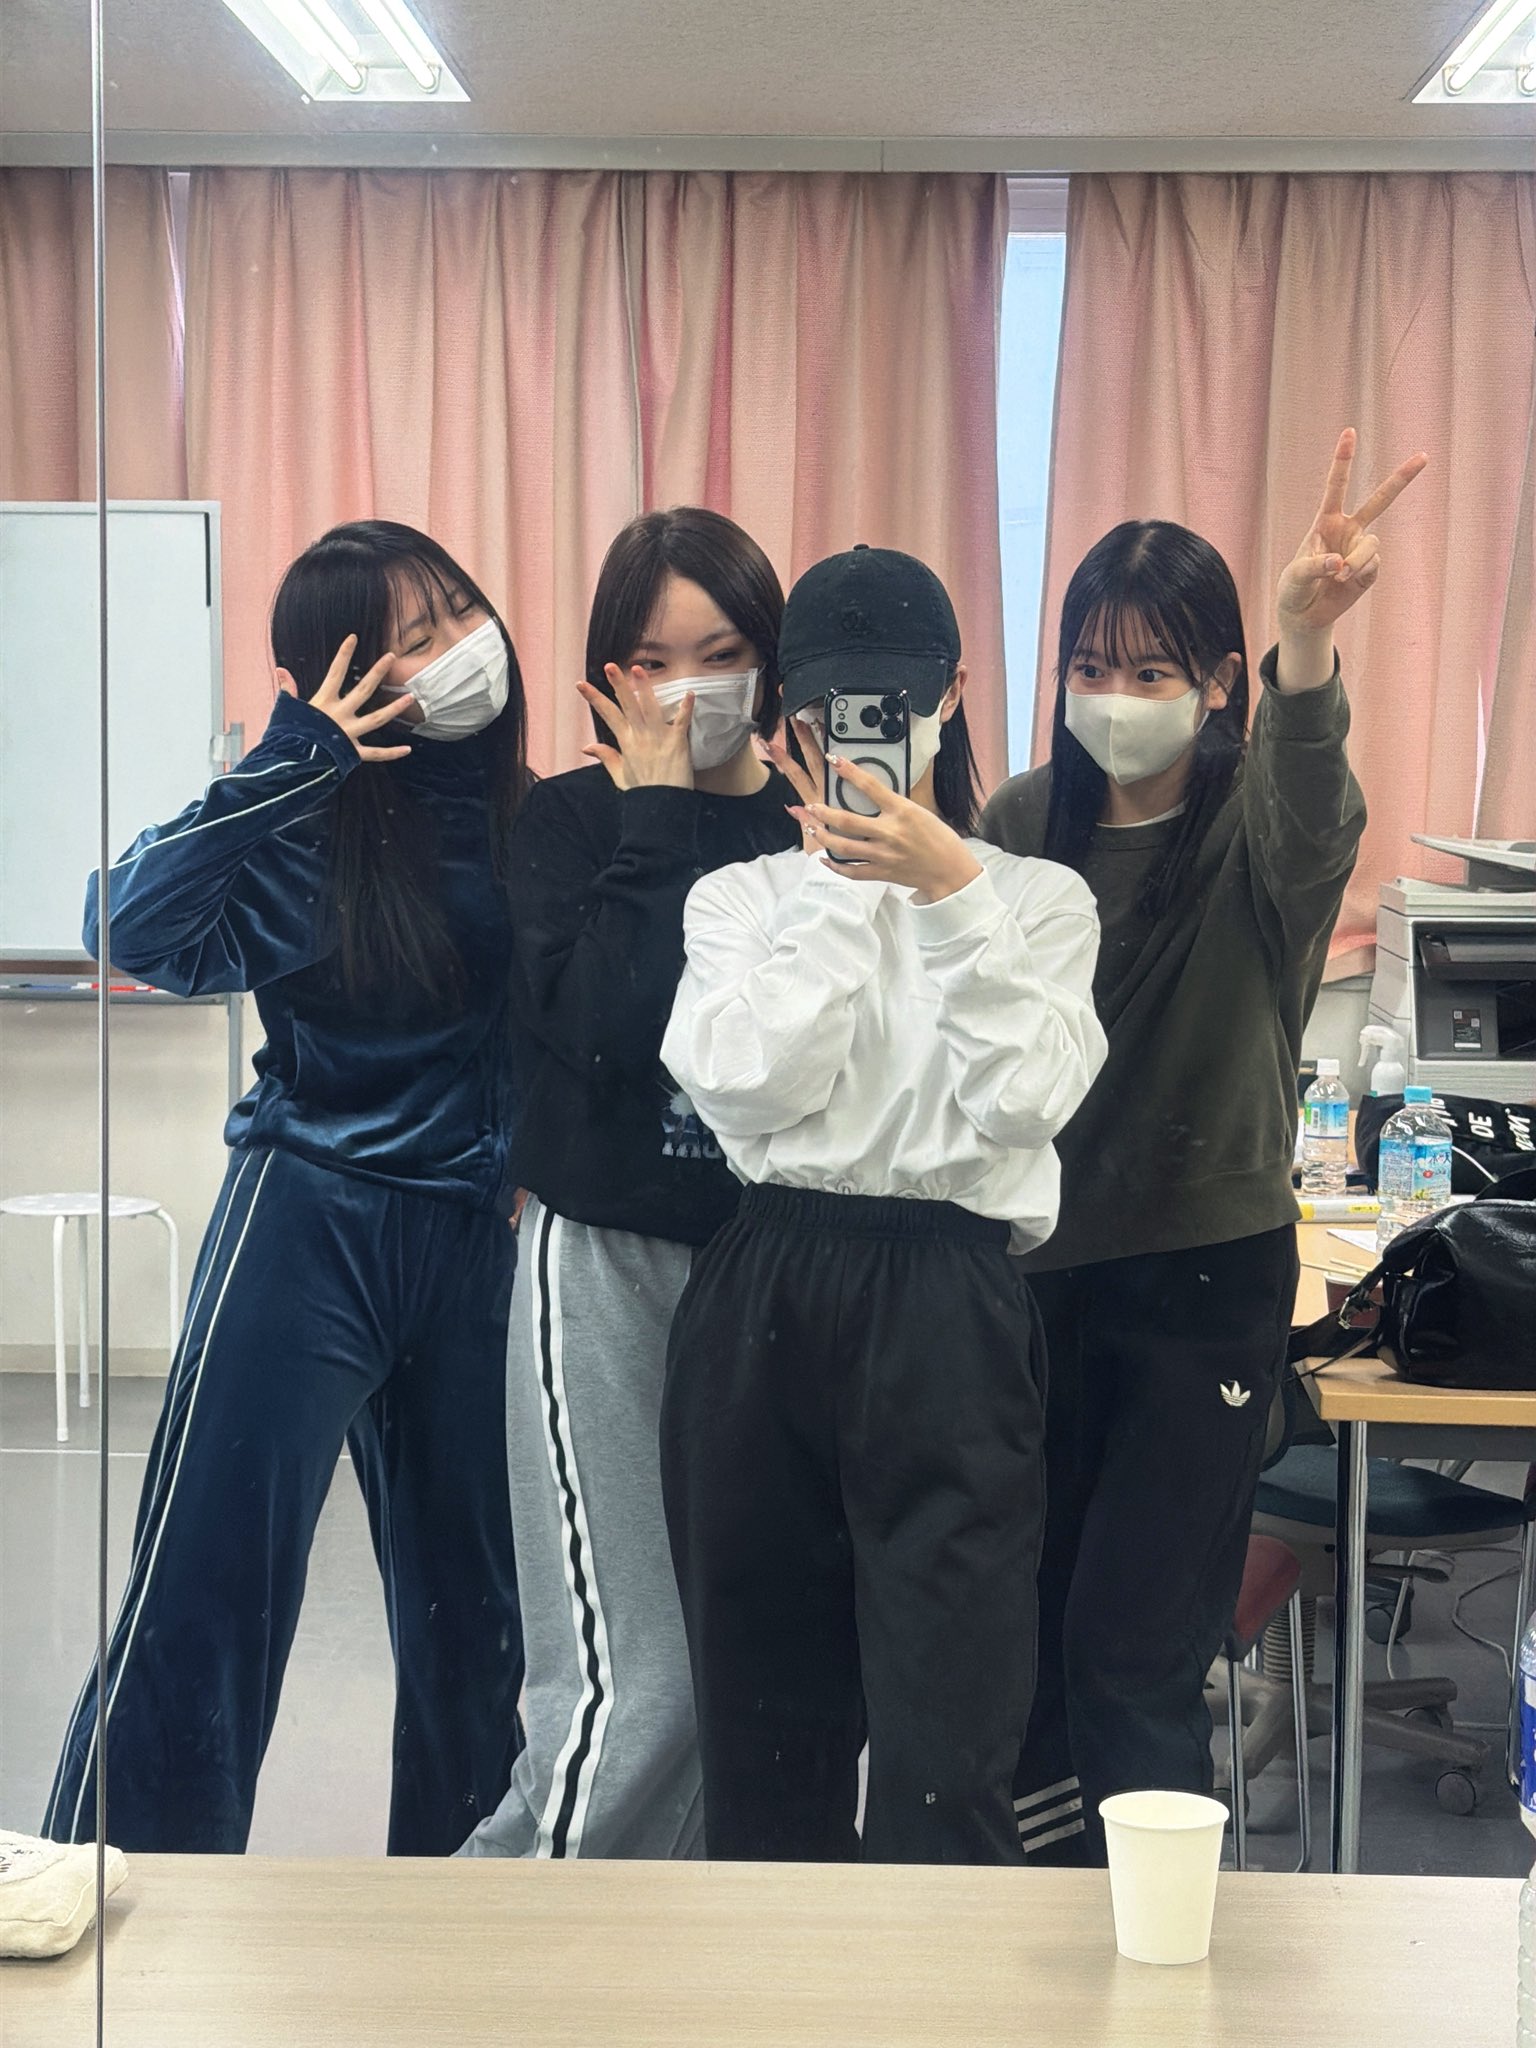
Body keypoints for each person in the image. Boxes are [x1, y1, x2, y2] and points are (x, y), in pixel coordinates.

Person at [44, 521, 530, 1856]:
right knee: (205, 1587)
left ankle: (466, 1915)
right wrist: (292, 762)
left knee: (477, 1622)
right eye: (413, 640)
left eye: (459, 614)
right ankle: (116, 1900)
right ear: (344, 678)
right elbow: (126, 925)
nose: (459, 651)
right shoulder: (311, 830)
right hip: (307, 1223)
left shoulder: (537, 820)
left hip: (475, 1244)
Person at [983, 429, 1426, 1864]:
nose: (1115, 701)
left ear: (1219, 683)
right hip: (1032, 1279)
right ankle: (1042, 1922)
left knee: (1134, 1650)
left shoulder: (1256, 829)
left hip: (1202, 1283)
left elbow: (1318, 814)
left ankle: (1156, 1937)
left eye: (1153, 671)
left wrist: (1307, 640)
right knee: (1026, 1636)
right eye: (1090, 668)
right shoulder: (1018, 822)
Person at [656, 544, 1107, 1865]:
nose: (865, 732)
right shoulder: (739, 901)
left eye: (896, 701)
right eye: (835, 708)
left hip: (950, 1299)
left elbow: (1026, 1103)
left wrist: (952, 897)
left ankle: (941, 1975)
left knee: (949, 1735)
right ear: (791, 719)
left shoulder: (1037, 901)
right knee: (761, 1727)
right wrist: (845, 891)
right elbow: (746, 1083)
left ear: (953, 694)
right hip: (766, 1286)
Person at [461, 507, 801, 1863]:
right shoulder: (565, 821)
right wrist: (655, 814)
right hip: (604, 1261)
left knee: (741, 1681)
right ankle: (504, 1950)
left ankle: (654, 1959)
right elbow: (601, 1031)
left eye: (720, 656)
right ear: (608, 673)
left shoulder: (809, 822)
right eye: (653, 663)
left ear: (769, 664)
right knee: (631, 1682)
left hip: (772, 1277)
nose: (686, 691)